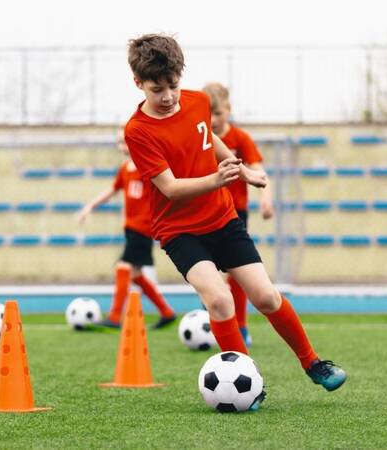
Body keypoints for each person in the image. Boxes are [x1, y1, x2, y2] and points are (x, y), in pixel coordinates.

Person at [124, 34, 346, 407]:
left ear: (181, 76)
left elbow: (208, 138)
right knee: (221, 301)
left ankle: (313, 364)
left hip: (222, 219)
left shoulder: (198, 102)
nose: (168, 96)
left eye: (173, 85)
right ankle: (250, 381)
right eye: (157, 88)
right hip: (179, 231)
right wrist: (217, 179)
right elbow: (170, 188)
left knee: (266, 296)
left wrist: (241, 172)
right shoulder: (138, 131)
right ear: (138, 84)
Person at [77, 129, 176, 329]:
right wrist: (89, 206)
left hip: (144, 227)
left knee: (123, 268)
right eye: (119, 142)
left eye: (125, 141)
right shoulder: (125, 168)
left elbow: (166, 189)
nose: (122, 146)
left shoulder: (147, 166)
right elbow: (112, 190)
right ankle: (167, 312)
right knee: (136, 274)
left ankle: (114, 317)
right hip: (131, 228)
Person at [202, 82, 274, 347]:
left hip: (234, 213)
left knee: (236, 273)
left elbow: (258, 168)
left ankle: (241, 326)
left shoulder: (240, 138)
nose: (214, 120)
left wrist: (265, 199)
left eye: (218, 113)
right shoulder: (199, 138)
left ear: (228, 110)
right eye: (209, 115)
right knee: (209, 277)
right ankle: (219, 322)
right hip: (204, 213)